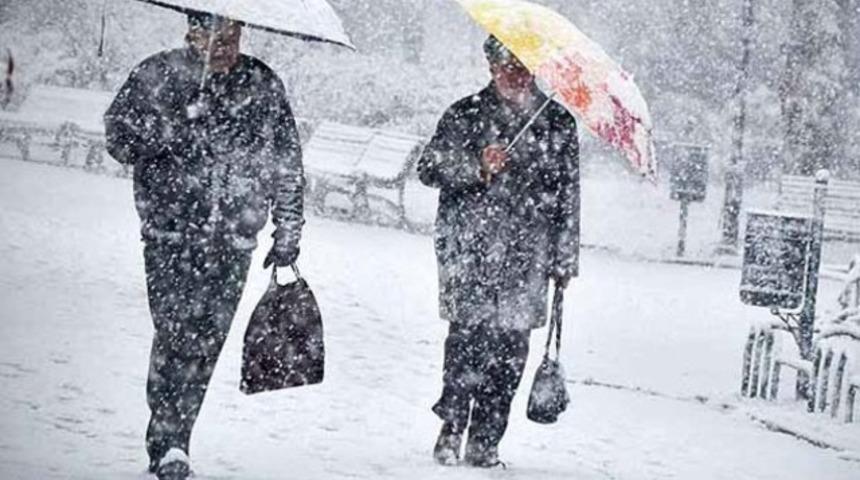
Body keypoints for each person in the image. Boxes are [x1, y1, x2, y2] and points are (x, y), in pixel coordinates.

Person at [104, 12, 304, 480]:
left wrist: (290, 229)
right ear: (191, 32)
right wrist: (171, 126)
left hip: (234, 237)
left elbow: (287, 161)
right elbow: (118, 139)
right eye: (215, 36)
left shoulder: (261, 82)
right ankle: (168, 442)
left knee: (206, 344)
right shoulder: (158, 74)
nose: (224, 46)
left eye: (233, 37)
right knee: (176, 334)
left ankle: (180, 438)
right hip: (170, 233)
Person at [418, 36, 580, 468]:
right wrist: (476, 165)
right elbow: (428, 168)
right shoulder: (464, 113)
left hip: (528, 256)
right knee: (465, 343)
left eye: (525, 63)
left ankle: (487, 439)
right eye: (507, 62)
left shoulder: (558, 124)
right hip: (469, 249)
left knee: (510, 352)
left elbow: (568, 198)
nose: (516, 72)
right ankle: (451, 427)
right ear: (490, 64)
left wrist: (565, 259)